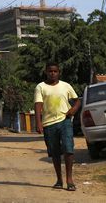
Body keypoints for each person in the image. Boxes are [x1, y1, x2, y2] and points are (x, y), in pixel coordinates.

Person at [34, 62, 80, 191]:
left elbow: (77, 101)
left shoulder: (66, 86)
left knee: (68, 148)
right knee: (55, 153)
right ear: (46, 72)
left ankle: (69, 180)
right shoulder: (40, 87)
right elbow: (38, 104)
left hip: (65, 120)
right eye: (50, 71)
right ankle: (59, 179)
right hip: (49, 123)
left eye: (55, 71)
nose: (52, 73)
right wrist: (38, 123)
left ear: (59, 72)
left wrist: (73, 109)